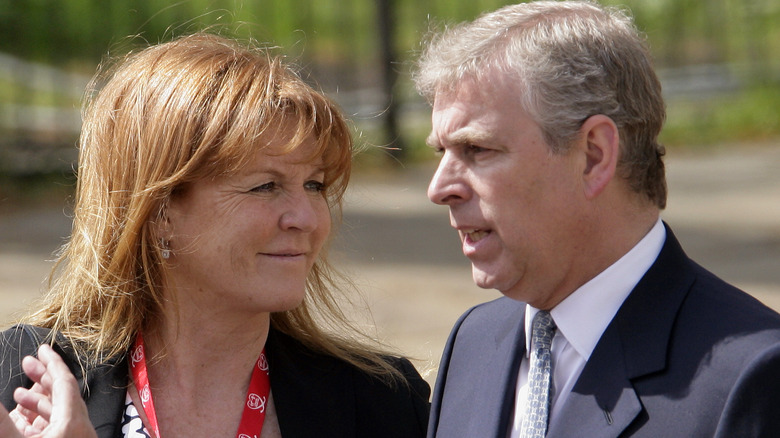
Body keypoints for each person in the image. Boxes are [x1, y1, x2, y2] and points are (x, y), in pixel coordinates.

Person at [0, 33, 430, 438]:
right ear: (159, 211)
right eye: (266, 186)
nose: (306, 218)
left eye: (314, 185)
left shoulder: (380, 402)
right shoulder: (19, 375)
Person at [413, 1, 780, 437]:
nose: (439, 189)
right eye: (442, 151)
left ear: (594, 155)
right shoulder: (474, 343)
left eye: (477, 149)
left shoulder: (751, 377)